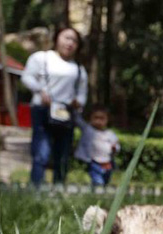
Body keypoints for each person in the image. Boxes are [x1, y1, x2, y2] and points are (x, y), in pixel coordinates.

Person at [21, 27, 88, 186]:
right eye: (67, 38)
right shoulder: (42, 58)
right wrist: (40, 91)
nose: (70, 43)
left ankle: (59, 188)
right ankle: (36, 187)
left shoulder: (78, 69)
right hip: (43, 110)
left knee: (63, 154)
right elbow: (26, 77)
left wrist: (78, 102)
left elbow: (82, 93)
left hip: (66, 114)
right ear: (57, 38)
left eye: (74, 40)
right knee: (41, 152)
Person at [74, 105, 120, 187]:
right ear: (90, 118)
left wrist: (114, 148)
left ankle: (99, 191)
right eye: (96, 118)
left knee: (106, 180)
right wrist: (76, 109)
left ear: (107, 120)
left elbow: (117, 146)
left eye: (102, 118)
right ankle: (97, 191)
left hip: (107, 162)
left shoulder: (110, 134)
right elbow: (78, 120)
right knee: (97, 180)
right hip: (93, 161)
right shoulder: (87, 129)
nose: (98, 121)